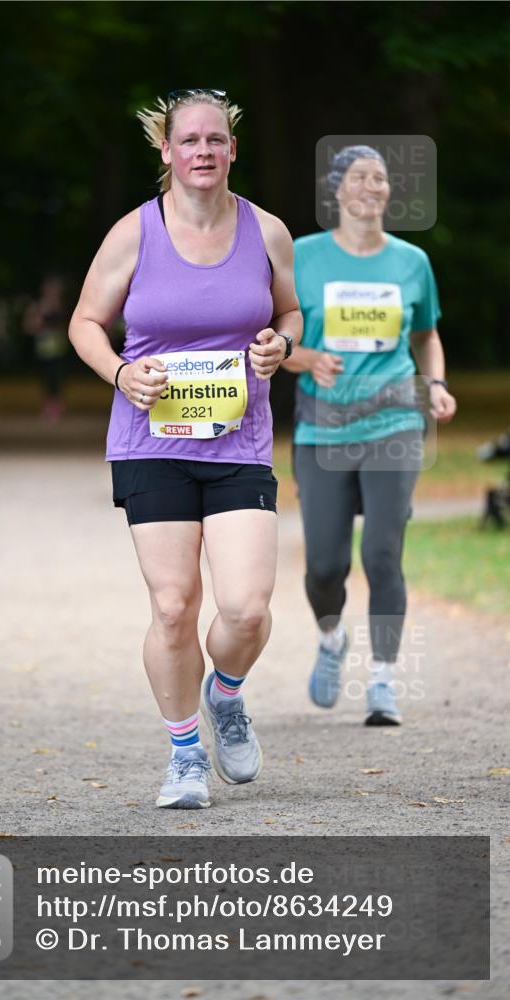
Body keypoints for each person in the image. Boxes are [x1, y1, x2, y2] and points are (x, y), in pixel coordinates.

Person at [69, 89, 302, 808]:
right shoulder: (133, 233)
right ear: (165, 152)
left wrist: (279, 343)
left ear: (232, 150)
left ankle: (224, 693)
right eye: (189, 140)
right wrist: (119, 370)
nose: (203, 151)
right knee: (173, 606)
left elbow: (289, 310)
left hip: (238, 440)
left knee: (246, 610)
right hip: (151, 440)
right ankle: (183, 758)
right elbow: (84, 321)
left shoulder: (266, 232)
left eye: (215, 140)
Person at [283, 144, 456, 725]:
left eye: (380, 178)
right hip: (322, 428)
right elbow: (272, 343)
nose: (371, 186)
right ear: (336, 190)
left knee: (383, 553)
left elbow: (427, 334)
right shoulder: (302, 257)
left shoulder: (412, 261)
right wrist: (306, 357)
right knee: (325, 567)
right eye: (358, 176)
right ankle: (331, 639)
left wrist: (433, 384)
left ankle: (384, 681)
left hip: (396, 421)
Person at [23, 274, 68, 421]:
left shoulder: (61, 306)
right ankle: (49, 405)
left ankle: (56, 405)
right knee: (47, 379)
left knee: (58, 379)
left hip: (59, 349)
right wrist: (41, 323)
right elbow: (29, 326)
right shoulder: (38, 306)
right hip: (44, 350)